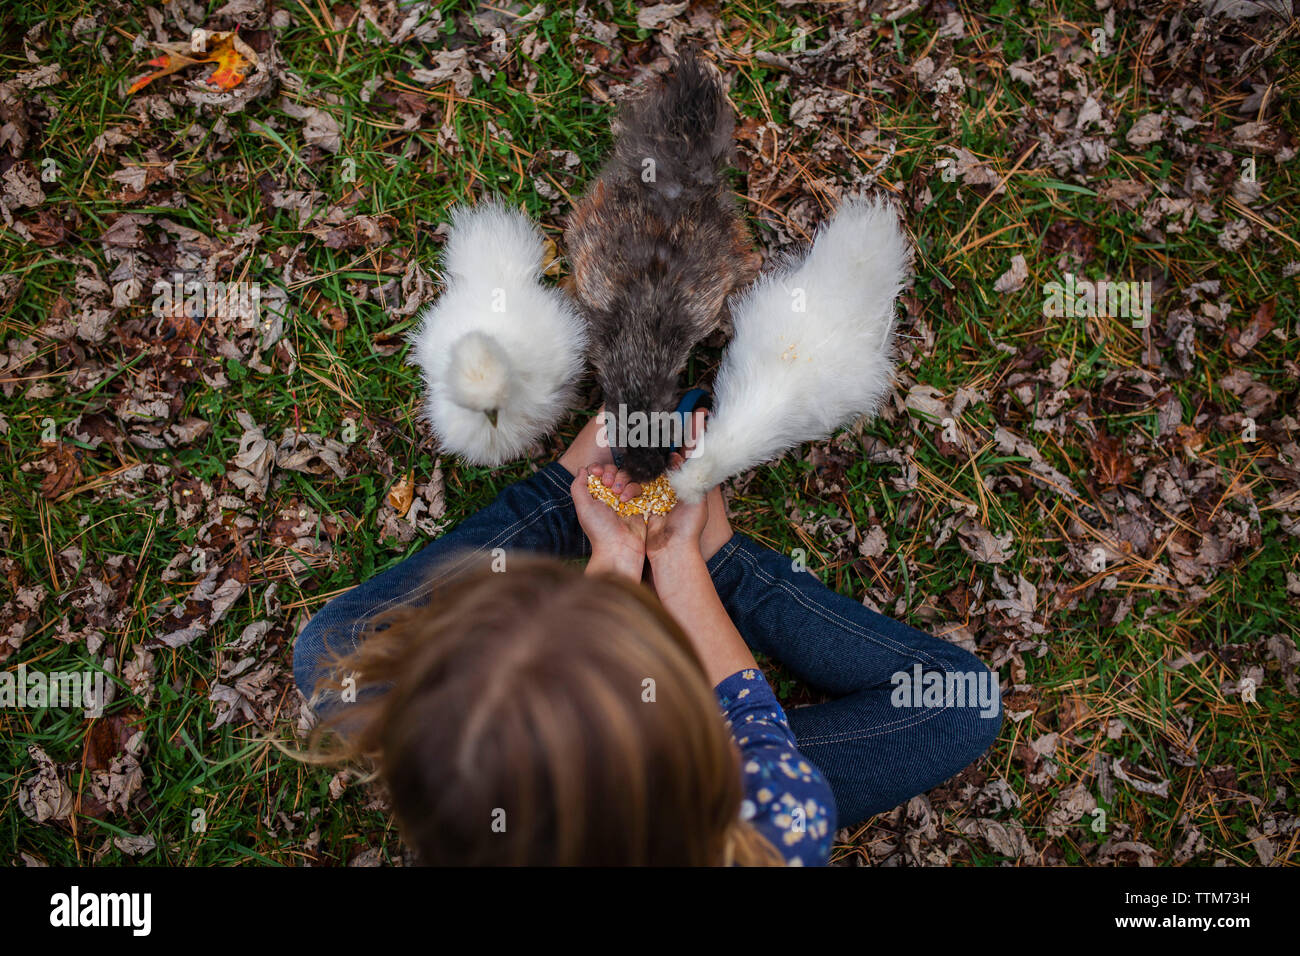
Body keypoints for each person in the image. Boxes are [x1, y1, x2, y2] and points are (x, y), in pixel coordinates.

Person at [293, 411, 1002, 865]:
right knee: (961, 701)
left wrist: (619, 558)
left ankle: (559, 505)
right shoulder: (777, 827)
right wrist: (684, 558)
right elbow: (754, 723)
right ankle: (724, 567)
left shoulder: (484, 812)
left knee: (336, 666)